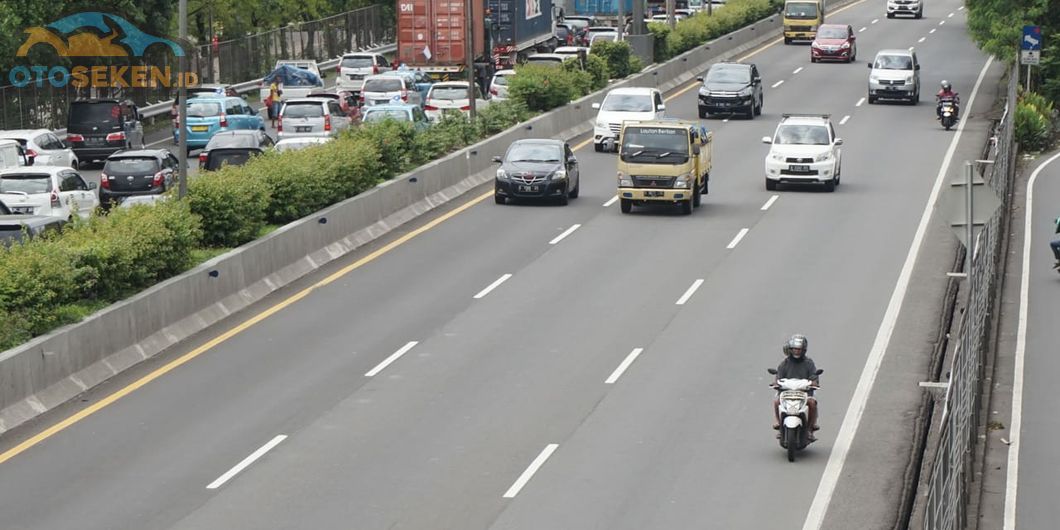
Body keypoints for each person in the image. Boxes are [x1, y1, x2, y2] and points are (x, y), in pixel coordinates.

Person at [772, 334, 820, 441]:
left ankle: (810, 428)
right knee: (776, 401)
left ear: (803, 350)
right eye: (794, 349)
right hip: (787, 392)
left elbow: (814, 376)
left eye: (799, 349)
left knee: (812, 403)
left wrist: (814, 383)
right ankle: (779, 424)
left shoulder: (809, 363)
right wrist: (776, 383)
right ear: (790, 350)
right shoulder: (784, 364)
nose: (796, 351)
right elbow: (778, 376)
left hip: (805, 393)